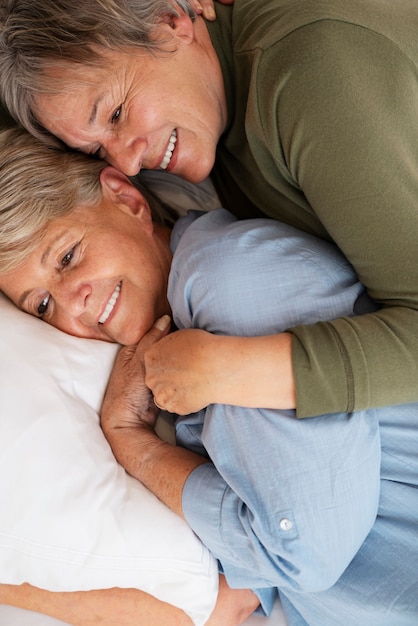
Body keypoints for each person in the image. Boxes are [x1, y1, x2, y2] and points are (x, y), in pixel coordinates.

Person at [0, 126, 416, 626]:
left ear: (126, 199)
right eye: (42, 305)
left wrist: (133, 443)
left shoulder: (228, 280)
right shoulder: (172, 367)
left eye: (68, 257)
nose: (73, 304)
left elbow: (304, 554)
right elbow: (229, 599)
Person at [0, 0, 418, 421]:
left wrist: (225, 370)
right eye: (96, 149)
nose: (127, 163)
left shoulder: (309, 73)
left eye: (116, 112)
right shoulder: (211, 113)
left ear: (172, 20)